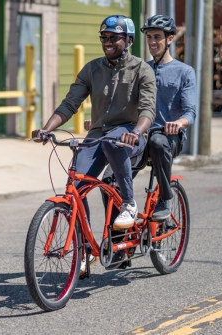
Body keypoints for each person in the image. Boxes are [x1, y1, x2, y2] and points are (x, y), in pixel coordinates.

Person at [32, 15, 156, 234]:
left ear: (128, 40)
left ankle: (129, 202)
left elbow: (148, 109)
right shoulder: (92, 70)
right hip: (98, 135)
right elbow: (70, 104)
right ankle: (84, 250)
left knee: (114, 142)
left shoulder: (142, 70)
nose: (107, 42)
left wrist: (136, 132)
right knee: (76, 189)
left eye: (114, 37)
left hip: (128, 134)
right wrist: (46, 129)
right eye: (104, 37)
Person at [140, 14, 197, 219]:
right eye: (149, 37)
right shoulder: (141, 69)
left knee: (157, 141)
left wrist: (178, 123)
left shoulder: (184, 72)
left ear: (170, 39)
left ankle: (165, 198)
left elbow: (190, 112)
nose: (152, 42)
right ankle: (118, 242)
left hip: (168, 137)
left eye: (157, 37)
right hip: (140, 136)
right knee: (111, 178)